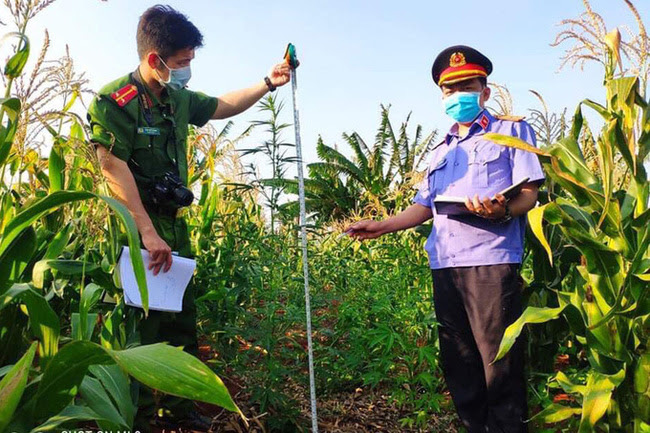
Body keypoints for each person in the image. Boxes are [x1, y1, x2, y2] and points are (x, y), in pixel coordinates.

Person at [87, 4, 291, 430]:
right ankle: (139, 416)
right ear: (154, 60)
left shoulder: (176, 97)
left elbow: (220, 106)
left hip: (174, 225)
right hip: (134, 227)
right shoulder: (114, 102)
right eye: (182, 63)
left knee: (180, 316)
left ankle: (180, 408)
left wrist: (268, 83)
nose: (187, 71)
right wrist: (145, 232)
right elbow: (112, 167)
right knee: (140, 321)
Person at [346, 45, 545, 433]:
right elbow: (424, 207)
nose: (456, 95)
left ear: (485, 91)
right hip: (444, 263)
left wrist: (501, 210)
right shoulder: (440, 150)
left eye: (465, 86)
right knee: (459, 361)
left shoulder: (512, 131)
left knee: (497, 362)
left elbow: (529, 194)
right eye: (448, 90)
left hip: (491, 262)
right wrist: (382, 224)